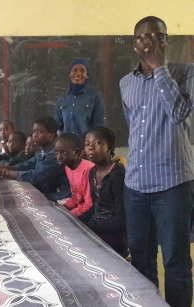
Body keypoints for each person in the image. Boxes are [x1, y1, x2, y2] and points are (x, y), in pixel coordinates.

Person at [120, 16, 194, 307]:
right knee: (140, 259)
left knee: (175, 260)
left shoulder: (186, 74)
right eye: (143, 37)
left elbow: (178, 114)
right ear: (134, 44)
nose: (150, 41)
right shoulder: (126, 83)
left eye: (158, 36)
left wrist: (159, 68)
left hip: (172, 185)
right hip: (135, 185)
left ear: (167, 41)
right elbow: (134, 127)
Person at [0, 116, 70, 201]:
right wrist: (2, 167)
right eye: (33, 131)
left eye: (39, 132)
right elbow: (26, 165)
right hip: (47, 191)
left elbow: (35, 176)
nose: (34, 135)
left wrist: (2, 172)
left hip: (59, 196)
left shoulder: (56, 153)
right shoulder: (43, 150)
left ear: (51, 134)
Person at [81, 126, 127, 257]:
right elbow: (95, 207)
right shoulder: (92, 172)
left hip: (115, 236)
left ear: (110, 146)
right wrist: (75, 220)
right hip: (97, 227)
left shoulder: (117, 176)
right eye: (87, 144)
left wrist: (90, 226)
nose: (91, 147)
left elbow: (121, 220)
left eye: (97, 143)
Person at [55, 58, 104, 138]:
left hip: (86, 147)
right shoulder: (62, 99)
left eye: (82, 70)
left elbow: (98, 125)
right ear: (69, 74)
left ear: (87, 75)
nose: (78, 73)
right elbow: (58, 127)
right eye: (75, 70)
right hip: (66, 148)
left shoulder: (95, 96)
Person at [54, 133, 94, 217]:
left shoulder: (88, 169)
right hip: (81, 208)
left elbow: (89, 204)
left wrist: (69, 214)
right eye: (56, 152)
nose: (59, 156)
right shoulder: (67, 167)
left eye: (64, 152)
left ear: (76, 152)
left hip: (91, 211)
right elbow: (76, 197)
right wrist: (64, 207)